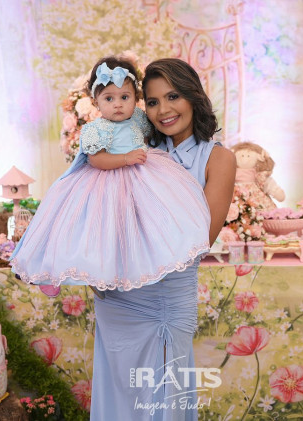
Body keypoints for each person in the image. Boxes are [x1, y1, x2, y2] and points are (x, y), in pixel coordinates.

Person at [89, 58, 236, 421]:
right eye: (153, 102)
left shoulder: (217, 158)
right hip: (117, 298)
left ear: (193, 96)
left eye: (173, 96)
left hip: (166, 301)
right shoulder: (137, 150)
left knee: (163, 404)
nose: (164, 110)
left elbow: (200, 238)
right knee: (118, 401)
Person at [10, 55, 211, 294]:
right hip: (108, 179)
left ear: (136, 99)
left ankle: (157, 253)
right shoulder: (96, 128)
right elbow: (96, 159)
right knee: (109, 223)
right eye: (109, 98)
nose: (117, 105)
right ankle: (107, 268)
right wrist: (126, 159)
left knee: (150, 214)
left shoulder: (139, 119)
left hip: (144, 174)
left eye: (124, 97)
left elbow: (148, 135)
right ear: (96, 102)